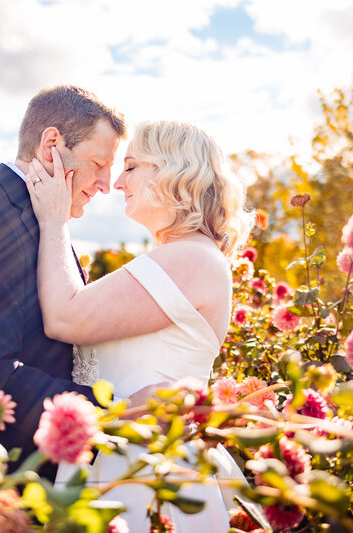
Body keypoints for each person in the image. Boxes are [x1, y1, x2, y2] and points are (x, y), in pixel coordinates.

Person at [0, 85, 158, 480]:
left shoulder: (45, 222)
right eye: (98, 163)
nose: (104, 184)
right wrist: (120, 409)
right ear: (52, 144)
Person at [24, 120, 254, 531]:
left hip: (146, 474)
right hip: (129, 461)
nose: (117, 183)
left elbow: (65, 317)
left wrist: (54, 220)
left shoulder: (191, 258)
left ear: (172, 171)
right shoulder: (184, 257)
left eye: (130, 167)